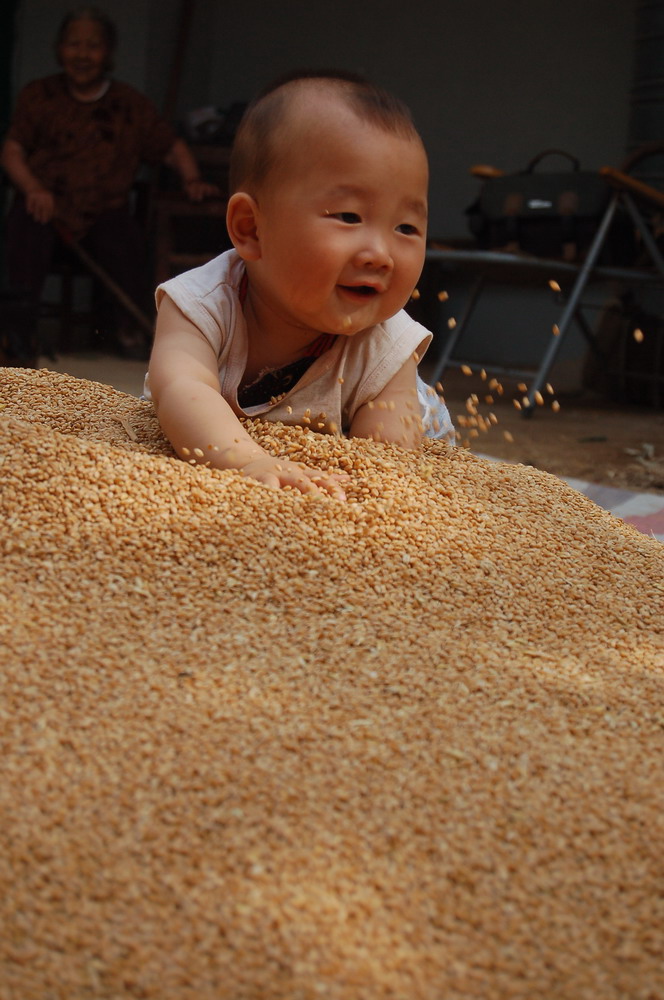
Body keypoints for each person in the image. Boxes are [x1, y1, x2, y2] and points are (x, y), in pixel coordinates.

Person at [146, 71, 454, 499]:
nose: (380, 254)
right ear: (251, 228)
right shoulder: (201, 306)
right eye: (349, 217)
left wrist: (373, 489)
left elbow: (386, 459)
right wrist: (248, 461)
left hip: (423, 428)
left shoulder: (385, 341)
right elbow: (181, 388)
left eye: (405, 227)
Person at [1, 5, 218, 363]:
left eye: (93, 46)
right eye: (74, 45)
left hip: (104, 211)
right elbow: (12, 150)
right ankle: (20, 337)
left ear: (108, 53)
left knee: (125, 241)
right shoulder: (39, 96)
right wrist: (33, 189)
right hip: (47, 208)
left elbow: (171, 147)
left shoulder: (129, 104)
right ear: (59, 49)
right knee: (25, 233)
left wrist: (192, 178)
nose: (82, 55)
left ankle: (127, 332)